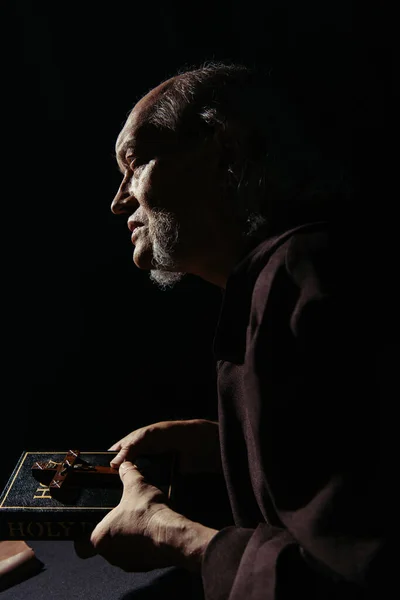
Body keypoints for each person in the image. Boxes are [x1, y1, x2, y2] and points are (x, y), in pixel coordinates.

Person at [75, 62, 388, 598]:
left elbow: (362, 576)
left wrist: (176, 538)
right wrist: (232, 446)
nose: (120, 199)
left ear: (226, 149)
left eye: (136, 162)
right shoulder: (284, 273)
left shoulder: (308, 276)